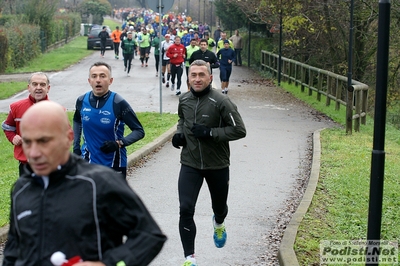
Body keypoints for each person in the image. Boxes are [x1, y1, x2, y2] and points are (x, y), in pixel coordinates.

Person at [3, 101, 167, 266]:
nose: (34, 153)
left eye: (43, 141)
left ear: (68, 138)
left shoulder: (100, 183)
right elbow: (13, 253)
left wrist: (107, 264)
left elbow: (149, 236)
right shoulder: (21, 189)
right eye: (27, 142)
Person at [172, 59, 246, 266]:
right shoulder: (184, 99)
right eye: (193, 75)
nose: (197, 79)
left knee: (219, 207)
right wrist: (179, 135)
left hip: (217, 164)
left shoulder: (222, 102)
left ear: (210, 78)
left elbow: (240, 130)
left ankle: (219, 222)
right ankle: (189, 258)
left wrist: (210, 132)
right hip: (190, 163)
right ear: (188, 78)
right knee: (185, 208)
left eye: (201, 75)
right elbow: (182, 120)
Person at [73, 62, 145, 178]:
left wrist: (119, 143)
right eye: (94, 76)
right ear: (89, 81)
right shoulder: (81, 101)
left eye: (102, 76)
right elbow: (77, 120)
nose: (98, 80)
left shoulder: (118, 103)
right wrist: (76, 147)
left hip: (114, 163)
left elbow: (139, 131)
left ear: (110, 80)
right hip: (87, 162)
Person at [2, 72, 51, 176]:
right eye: (34, 84)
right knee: (28, 191)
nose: (38, 88)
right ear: (29, 87)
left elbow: (66, 134)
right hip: (25, 163)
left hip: (49, 163)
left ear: (48, 88)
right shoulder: (16, 107)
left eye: (42, 85)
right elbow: (7, 127)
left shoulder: (56, 110)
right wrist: (13, 137)